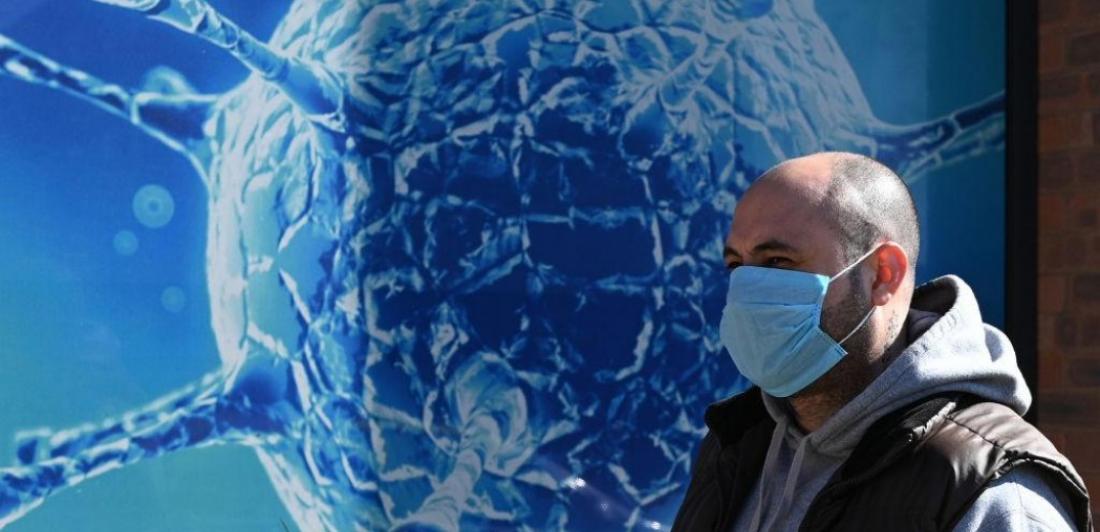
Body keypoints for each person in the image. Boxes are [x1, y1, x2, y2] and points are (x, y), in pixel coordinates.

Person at [672, 152, 1092, 531]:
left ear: (882, 275)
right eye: (737, 266)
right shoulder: (737, 444)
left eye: (778, 261)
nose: (749, 291)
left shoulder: (989, 490)